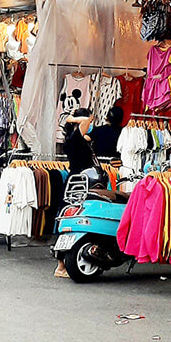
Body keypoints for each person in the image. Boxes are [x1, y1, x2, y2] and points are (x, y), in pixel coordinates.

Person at [55, 108, 98, 279]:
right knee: (70, 219)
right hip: (78, 184)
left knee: (68, 218)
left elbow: (87, 136)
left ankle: (62, 264)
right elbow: (85, 124)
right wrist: (74, 118)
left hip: (77, 182)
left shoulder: (77, 139)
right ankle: (60, 265)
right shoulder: (75, 139)